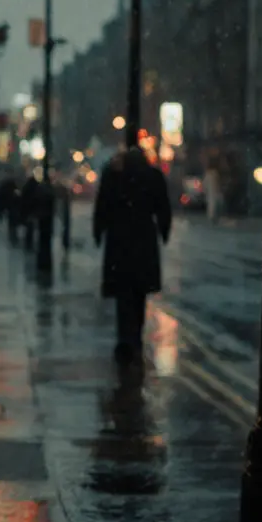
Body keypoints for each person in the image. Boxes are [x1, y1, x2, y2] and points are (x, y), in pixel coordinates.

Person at [93, 147, 172, 364]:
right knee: (139, 294)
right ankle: (135, 336)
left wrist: (98, 231)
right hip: (144, 241)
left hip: (119, 241)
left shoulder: (114, 176)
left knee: (123, 295)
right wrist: (164, 231)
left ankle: (125, 338)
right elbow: (163, 207)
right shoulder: (153, 176)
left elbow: (102, 206)